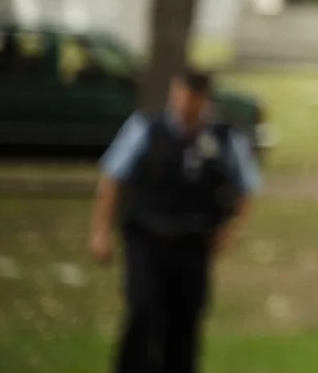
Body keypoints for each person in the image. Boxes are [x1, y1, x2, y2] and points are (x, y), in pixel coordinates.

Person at [90, 68, 259, 373]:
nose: (182, 106)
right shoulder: (146, 128)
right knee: (143, 311)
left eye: (190, 99)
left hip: (194, 243)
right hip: (146, 238)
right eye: (177, 97)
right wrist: (100, 232)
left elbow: (247, 187)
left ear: (205, 100)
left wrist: (234, 230)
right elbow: (112, 179)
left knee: (185, 322)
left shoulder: (224, 138)